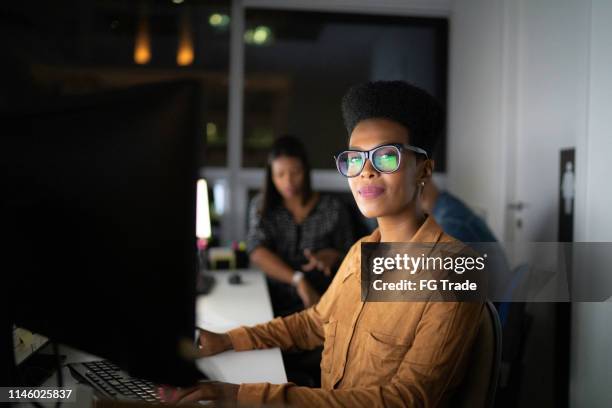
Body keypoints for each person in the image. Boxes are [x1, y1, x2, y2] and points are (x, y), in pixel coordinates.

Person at [164, 81, 483, 407]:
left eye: (387, 157)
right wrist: (229, 340)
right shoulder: (362, 252)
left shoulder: (454, 273)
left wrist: (241, 394)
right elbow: (315, 322)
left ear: (424, 170)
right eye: (354, 159)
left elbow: (406, 400)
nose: (366, 171)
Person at [246, 135, 356, 317]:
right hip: (272, 301)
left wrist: (334, 256)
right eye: (280, 174)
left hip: (323, 302)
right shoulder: (262, 206)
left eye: (295, 172)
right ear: (271, 176)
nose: (288, 181)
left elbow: (352, 254)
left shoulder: (332, 208)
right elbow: (256, 250)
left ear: (306, 170)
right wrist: (298, 280)